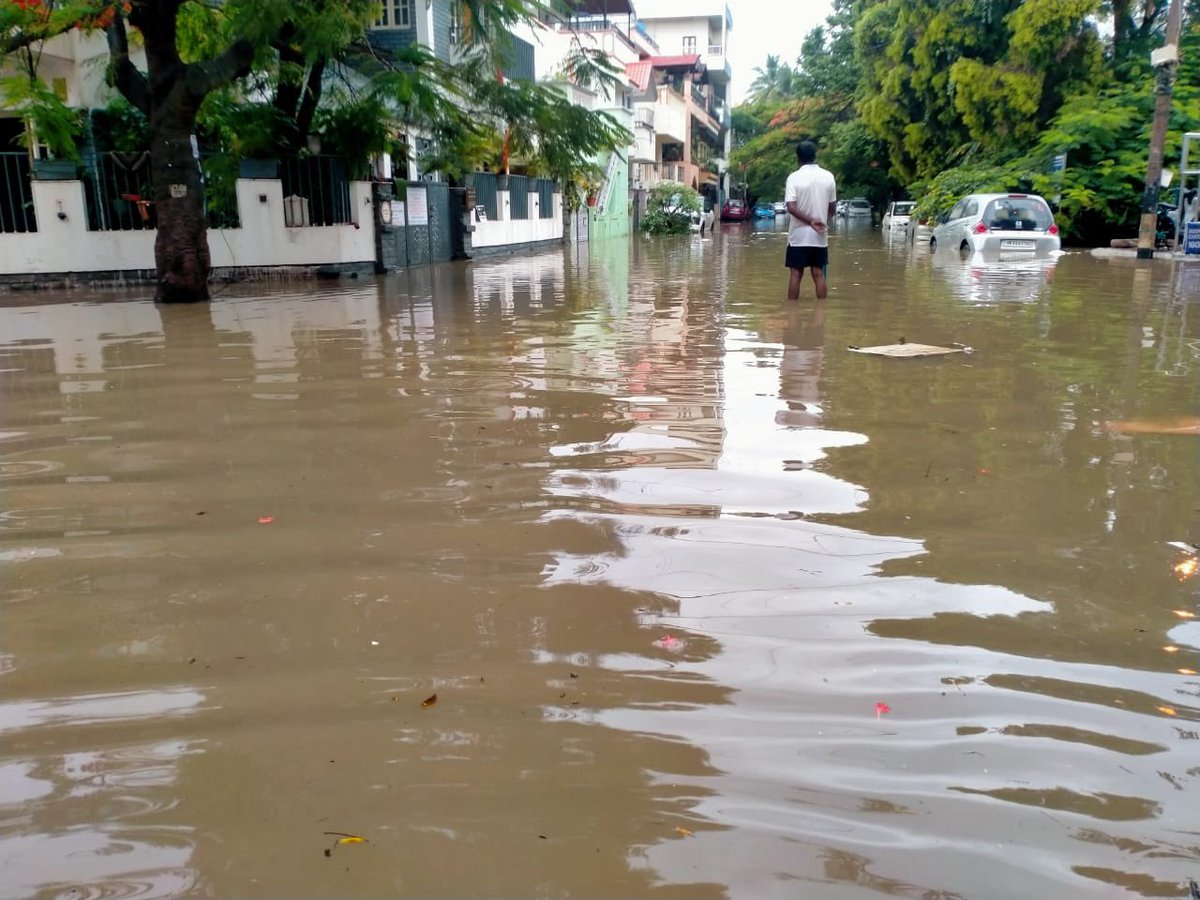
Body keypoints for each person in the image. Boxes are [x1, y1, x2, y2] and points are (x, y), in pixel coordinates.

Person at [784, 141, 837, 301]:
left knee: (795, 273)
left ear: (798, 158)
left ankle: (792, 314)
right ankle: (822, 313)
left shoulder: (793, 178)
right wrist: (819, 221)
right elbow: (833, 208)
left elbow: (791, 207)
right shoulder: (828, 176)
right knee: (818, 273)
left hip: (798, 237)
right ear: (815, 156)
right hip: (819, 236)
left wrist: (810, 221)